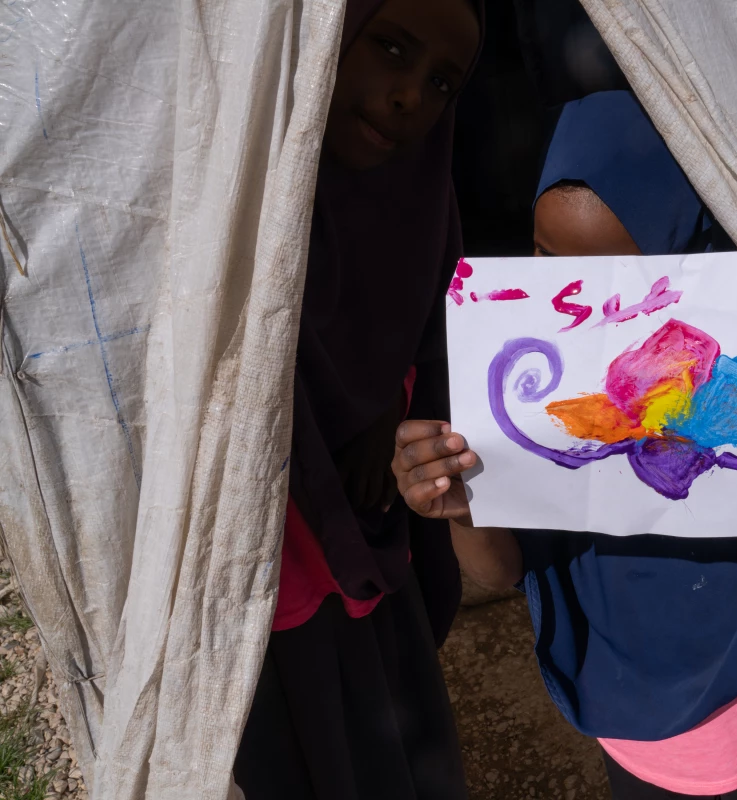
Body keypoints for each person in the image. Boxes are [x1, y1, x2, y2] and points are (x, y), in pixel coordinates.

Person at [394, 91, 737, 799]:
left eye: (621, 280)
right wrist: (461, 504)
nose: (586, 304)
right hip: (633, 741)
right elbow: (502, 570)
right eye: (547, 258)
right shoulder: (539, 417)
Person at [232, 1, 481, 798]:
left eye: (441, 83)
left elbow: (430, 335)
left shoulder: (421, 201)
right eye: (391, 49)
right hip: (270, 573)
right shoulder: (239, 203)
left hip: (375, 532)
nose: (409, 95)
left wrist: (391, 405)